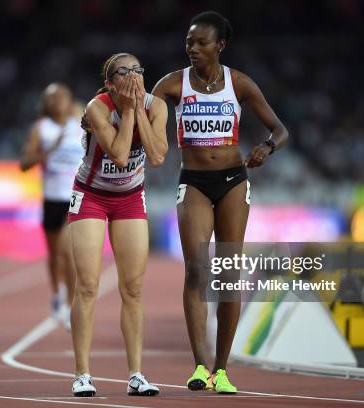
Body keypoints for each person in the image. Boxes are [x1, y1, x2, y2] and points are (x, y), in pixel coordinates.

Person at [152, 11, 289, 394]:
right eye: (189, 43)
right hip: (193, 181)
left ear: (220, 45)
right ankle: (199, 366)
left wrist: (266, 147)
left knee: (229, 273)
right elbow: (140, 113)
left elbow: (280, 130)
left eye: (201, 43)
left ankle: (222, 369)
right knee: (196, 269)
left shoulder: (239, 83)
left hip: (231, 181)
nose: (192, 49)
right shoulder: (172, 85)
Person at [69, 53, 168, 397]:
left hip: (129, 196)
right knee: (87, 286)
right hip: (91, 195)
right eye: (123, 72)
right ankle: (82, 374)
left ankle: (136, 375)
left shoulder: (158, 107)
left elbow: (156, 156)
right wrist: (127, 110)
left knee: (133, 288)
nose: (132, 76)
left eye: (137, 70)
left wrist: (139, 108)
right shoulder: (98, 107)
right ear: (110, 83)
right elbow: (121, 154)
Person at [20, 83, 82, 329]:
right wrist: (47, 152)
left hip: (75, 196)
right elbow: (24, 163)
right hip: (51, 197)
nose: (58, 101)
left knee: (68, 253)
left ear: (69, 100)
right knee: (54, 255)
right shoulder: (41, 129)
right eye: (52, 98)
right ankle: (57, 294)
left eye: (62, 97)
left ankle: (69, 306)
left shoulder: (80, 124)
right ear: (46, 103)